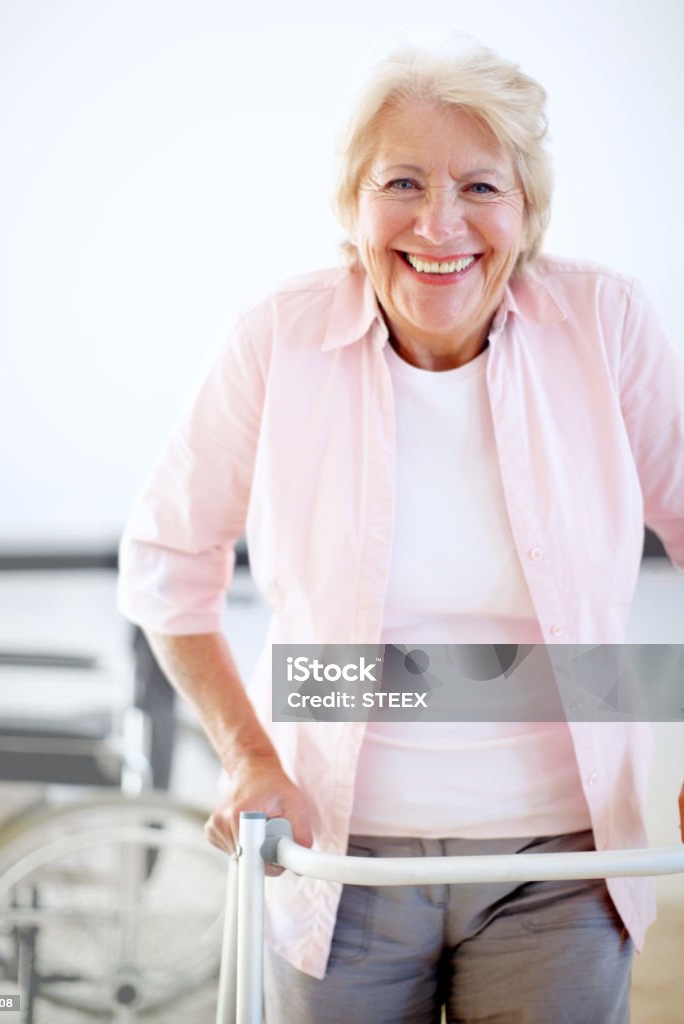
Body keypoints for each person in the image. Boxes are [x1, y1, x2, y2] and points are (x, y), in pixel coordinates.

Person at [117, 40, 684, 1023]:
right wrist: (248, 753)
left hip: (566, 862)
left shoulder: (607, 323)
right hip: (337, 860)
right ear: (352, 204)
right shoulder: (277, 337)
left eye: (478, 186)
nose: (439, 223)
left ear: (526, 211)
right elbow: (167, 564)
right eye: (403, 183)